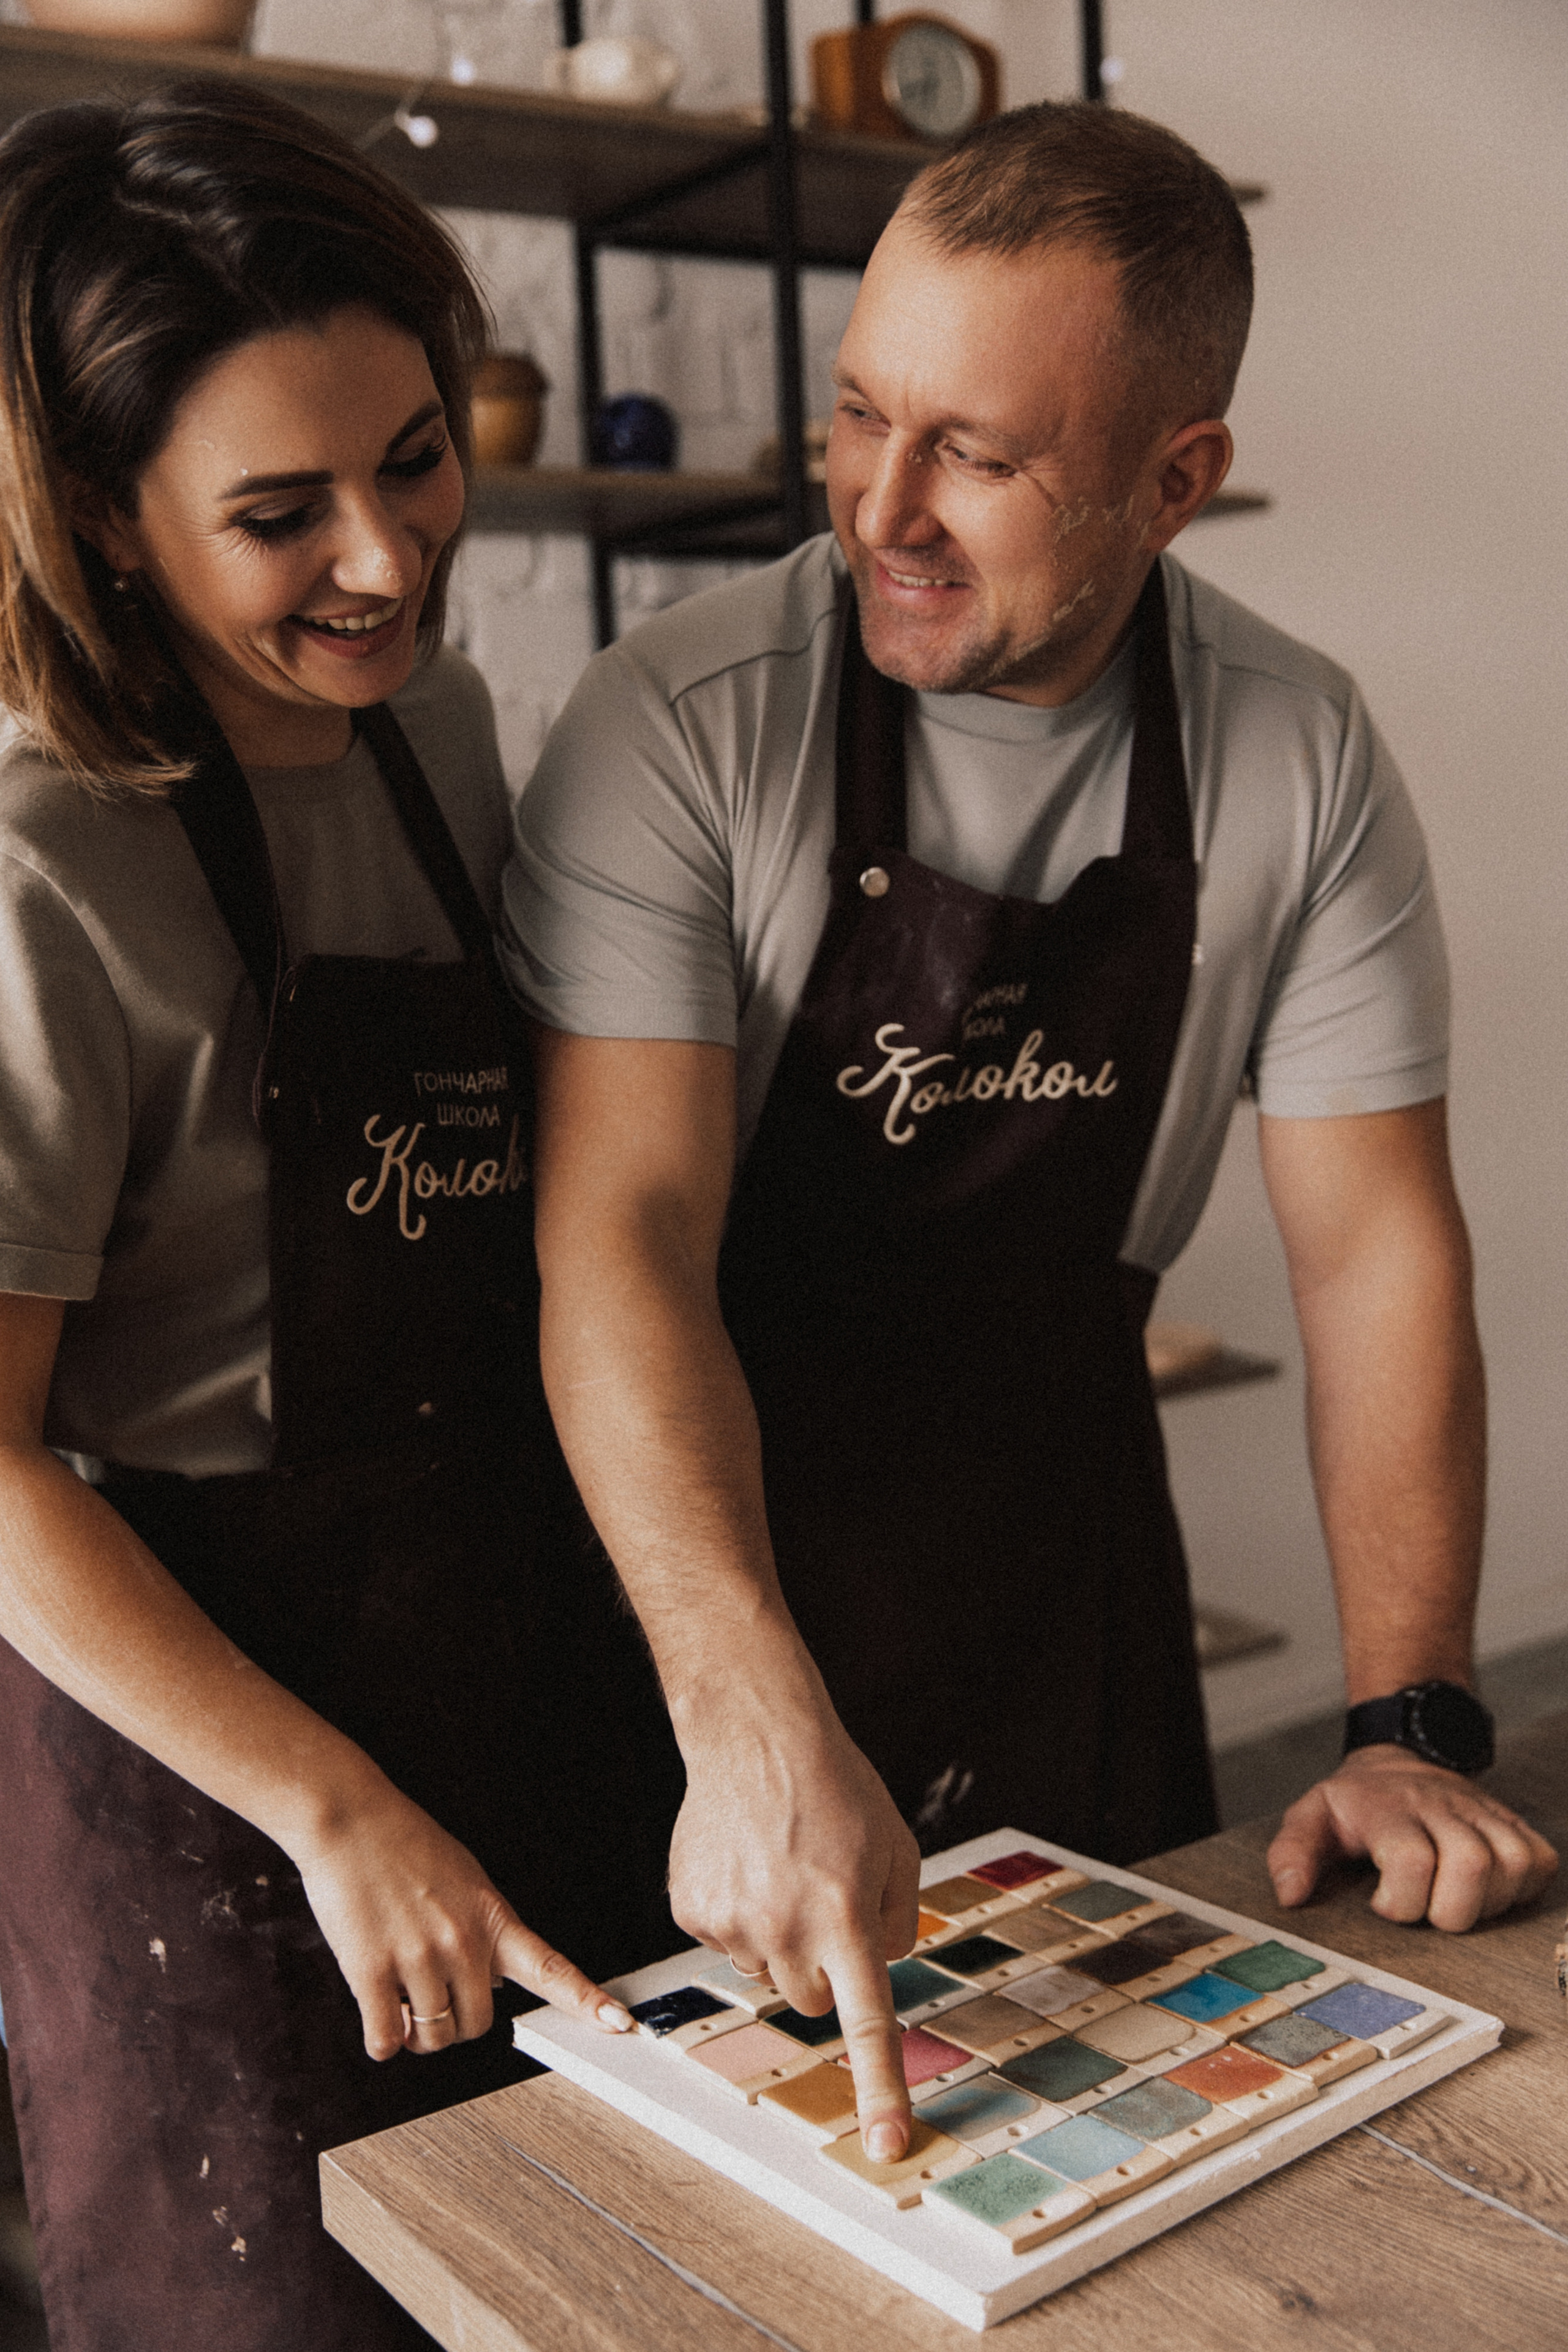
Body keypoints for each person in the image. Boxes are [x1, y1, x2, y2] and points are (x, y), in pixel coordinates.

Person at [505, 101, 1558, 2167]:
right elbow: (617, 1236)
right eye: (860, 417)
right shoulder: (683, 722)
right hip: (701, 1552)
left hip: (1055, 1553)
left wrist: (1410, 1716)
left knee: (1122, 2176)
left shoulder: (1297, 751)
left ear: (1179, 483)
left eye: (978, 460)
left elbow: (1374, 1251)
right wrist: (743, 1709)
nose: (882, 508)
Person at [0, 80, 682, 2352]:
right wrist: (330, 1805)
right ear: (106, 515)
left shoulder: (448, 730)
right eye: (281, 515)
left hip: (497, 1619)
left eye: (414, 459)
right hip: (212, 1732)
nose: (388, 561)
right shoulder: (37, 859)